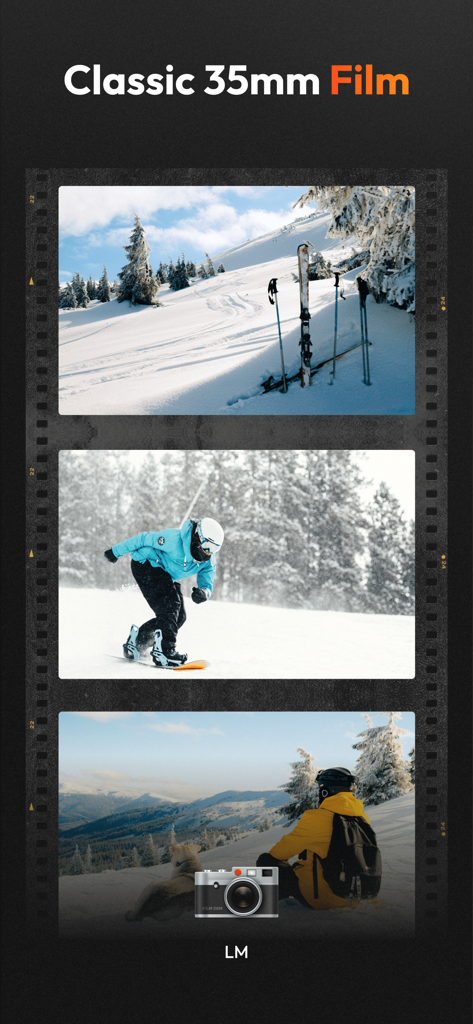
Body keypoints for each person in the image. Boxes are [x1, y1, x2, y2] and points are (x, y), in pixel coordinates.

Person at [104, 517, 224, 666]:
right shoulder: (173, 539)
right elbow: (142, 539)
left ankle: (137, 643)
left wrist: (203, 592)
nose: (208, 553)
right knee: (170, 605)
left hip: (165, 574)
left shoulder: (207, 559)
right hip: (145, 564)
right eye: (207, 546)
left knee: (179, 616)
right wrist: (115, 552)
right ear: (197, 537)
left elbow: (207, 580)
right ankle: (165, 651)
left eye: (214, 549)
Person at [257, 767, 377, 910]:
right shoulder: (363, 817)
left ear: (326, 790)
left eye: (321, 786)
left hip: (320, 899)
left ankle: (275, 905)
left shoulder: (316, 818)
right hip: (353, 896)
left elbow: (279, 853)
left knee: (266, 860)